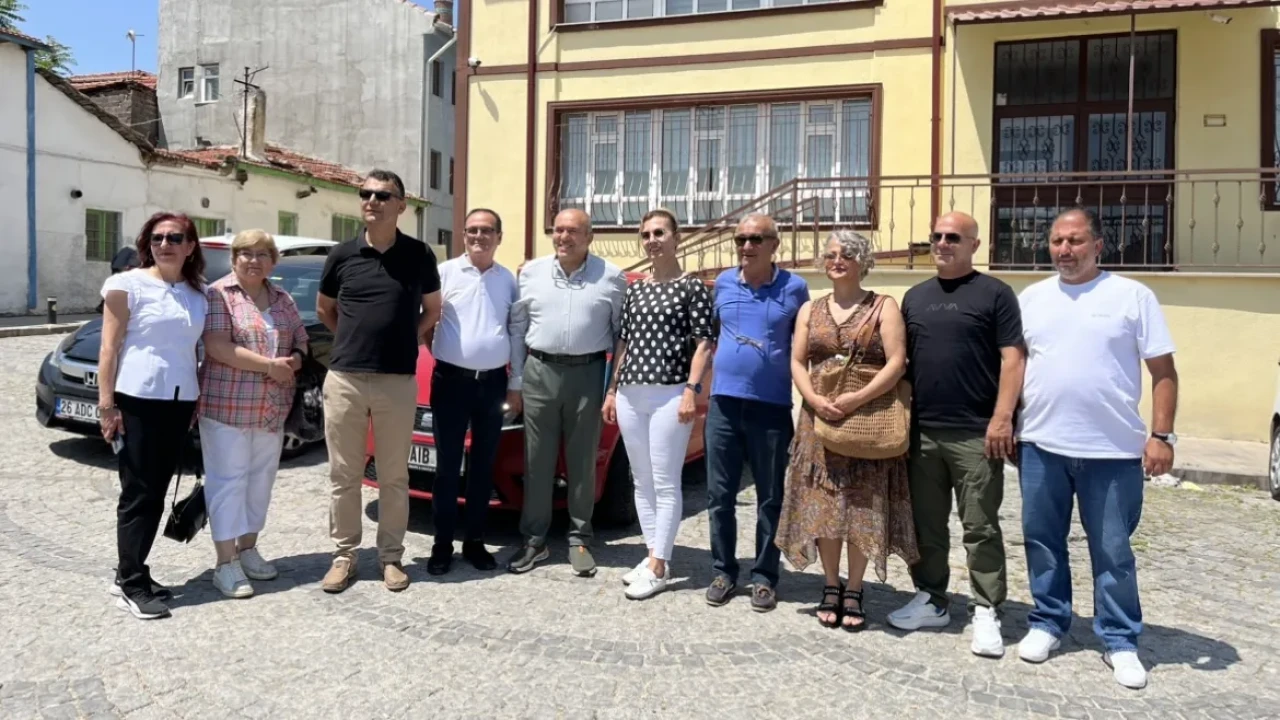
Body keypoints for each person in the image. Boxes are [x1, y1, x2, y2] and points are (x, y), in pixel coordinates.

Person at [1015, 208, 1178, 690]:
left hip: (1112, 451)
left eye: (1076, 240)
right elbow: (1015, 365)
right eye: (1057, 241)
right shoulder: (1033, 298)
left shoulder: (1132, 296)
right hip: (1041, 444)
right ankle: (1048, 621)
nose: (1065, 250)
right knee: (1042, 541)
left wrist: (1162, 436)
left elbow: (1164, 372)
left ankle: (1120, 639)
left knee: (1113, 550)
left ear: (1098, 245)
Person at [888, 211, 1026, 659]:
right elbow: (902, 363)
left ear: (974, 245)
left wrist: (1002, 418)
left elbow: (1013, 359)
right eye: (937, 236)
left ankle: (986, 607)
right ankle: (932, 598)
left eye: (953, 237)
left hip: (976, 434)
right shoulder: (915, 297)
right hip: (923, 432)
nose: (943, 243)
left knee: (980, 526)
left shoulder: (995, 294)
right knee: (926, 524)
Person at [776, 230, 918, 630]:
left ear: (862, 262)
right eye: (832, 255)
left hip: (867, 420)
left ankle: (854, 589)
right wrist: (813, 399)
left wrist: (857, 399)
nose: (837, 261)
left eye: (847, 255)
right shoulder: (811, 308)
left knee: (860, 506)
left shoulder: (883, 306)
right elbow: (797, 361)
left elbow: (897, 362)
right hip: (818, 421)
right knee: (825, 505)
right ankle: (831, 584)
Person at [316, 169, 441, 593]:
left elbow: (433, 310)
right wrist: (353, 343)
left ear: (401, 205)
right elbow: (325, 309)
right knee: (344, 475)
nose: (372, 201)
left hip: (396, 382)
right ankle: (344, 555)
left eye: (382, 195)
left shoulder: (419, 255)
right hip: (346, 379)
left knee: (393, 476)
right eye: (365, 193)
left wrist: (406, 338)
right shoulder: (342, 255)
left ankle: (390, 556)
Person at [98, 212, 208, 620]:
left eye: (175, 238)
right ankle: (131, 584)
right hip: (137, 399)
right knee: (139, 493)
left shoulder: (198, 293)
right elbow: (109, 349)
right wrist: (106, 406)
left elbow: (194, 350)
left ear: (190, 246)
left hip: (179, 402)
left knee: (156, 491)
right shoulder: (127, 285)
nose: (165, 244)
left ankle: (131, 570)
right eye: (157, 238)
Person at [506, 208, 626, 576]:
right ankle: (534, 540)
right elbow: (517, 328)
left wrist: (612, 387)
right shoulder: (531, 274)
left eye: (573, 231)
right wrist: (516, 382)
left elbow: (621, 335)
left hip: (588, 373)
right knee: (536, 460)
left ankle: (579, 538)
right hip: (539, 370)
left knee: (582, 461)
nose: (564, 237)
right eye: (558, 230)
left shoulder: (612, 277)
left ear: (589, 237)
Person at [601, 209, 713, 600]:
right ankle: (652, 555)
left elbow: (704, 343)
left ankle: (660, 565)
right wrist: (612, 390)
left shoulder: (692, 288)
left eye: (660, 232)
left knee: (665, 481)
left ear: (676, 238)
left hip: (670, 393)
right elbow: (624, 342)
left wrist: (691, 391)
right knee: (641, 479)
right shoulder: (636, 289)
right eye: (646, 234)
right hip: (631, 393)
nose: (652, 240)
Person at [704, 213, 810, 612]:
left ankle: (765, 576)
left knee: (771, 496)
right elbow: (709, 337)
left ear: (774, 245)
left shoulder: (795, 288)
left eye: (756, 239)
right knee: (720, 495)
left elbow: (804, 347)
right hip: (723, 403)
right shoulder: (723, 283)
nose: (746, 246)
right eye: (740, 239)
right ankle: (723, 571)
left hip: (772, 405)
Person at [197, 229, 309, 598]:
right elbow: (217, 345)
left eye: (262, 254)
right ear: (234, 259)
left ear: (273, 262)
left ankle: (248, 549)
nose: (254, 260)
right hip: (227, 406)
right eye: (246, 253)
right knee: (227, 481)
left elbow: (301, 341)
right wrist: (269, 366)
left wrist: (295, 359)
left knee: (260, 481)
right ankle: (225, 562)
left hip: (271, 409)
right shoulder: (219, 294)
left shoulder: (282, 298)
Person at [426, 208, 521, 575]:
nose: (479, 236)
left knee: (483, 465)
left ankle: (475, 542)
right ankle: (442, 544)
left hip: (493, 383)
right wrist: (442, 353)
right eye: (472, 230)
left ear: (499, 236)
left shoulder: (508, 280)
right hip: (451, 382)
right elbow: (428, 319)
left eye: (486, 230)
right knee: (448, 467)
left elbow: (514, 333)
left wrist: (515, 385)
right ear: (463, 235)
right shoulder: (445, 272)